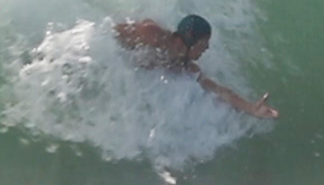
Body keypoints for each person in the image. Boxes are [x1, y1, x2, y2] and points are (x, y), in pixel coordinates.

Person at [114, 14, 279, 119]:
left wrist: (250, 108)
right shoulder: (152, 34)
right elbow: (112, 34)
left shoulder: (184, 66)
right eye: (203, 43)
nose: (206, 48)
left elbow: (218, 90)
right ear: (190, 39)